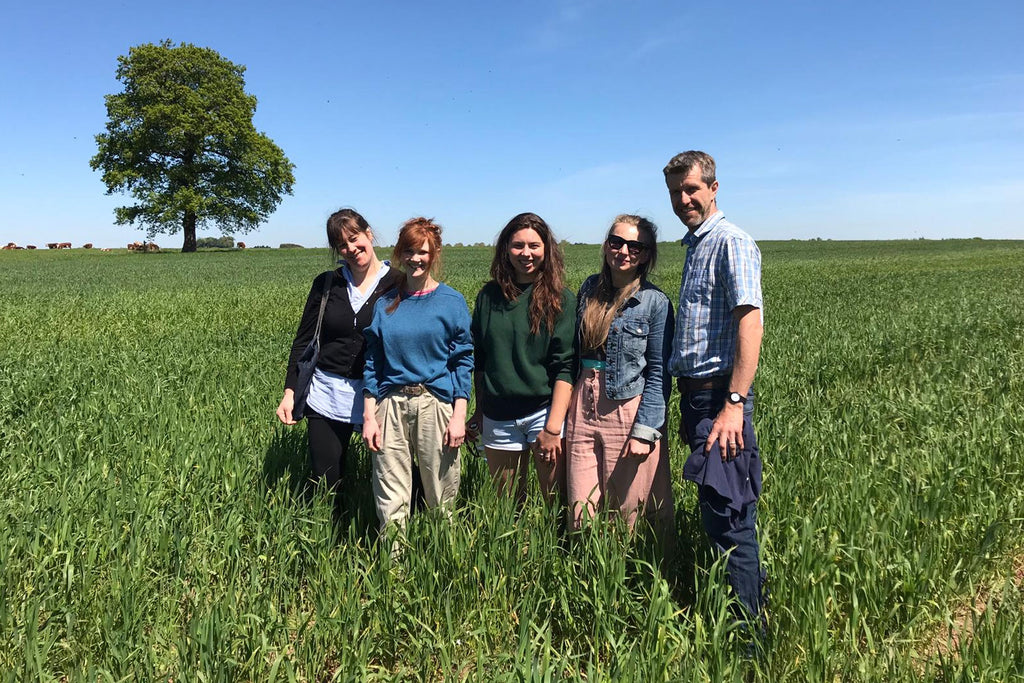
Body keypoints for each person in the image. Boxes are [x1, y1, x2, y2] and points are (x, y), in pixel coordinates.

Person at [665, 150, 767, 623]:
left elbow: (750, 322)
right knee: (717, 511)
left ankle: (750, 636)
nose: (684, 198)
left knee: (729, 518)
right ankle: (738, 610)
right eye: (675, 192)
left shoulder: (730, 242)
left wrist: (733, 403)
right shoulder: (696, 245)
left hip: (718, 399)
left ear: (713, 188)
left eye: (691, 189)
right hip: (697, 398)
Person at [276, 208, 398, 514]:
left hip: (380, 395)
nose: (351, 249)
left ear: (369, 234)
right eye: (342, 245)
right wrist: (290, 392)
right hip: (326, 392)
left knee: (393, 478)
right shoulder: (327, 284)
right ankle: (328, 539)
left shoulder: (397, 282)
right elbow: (303, 340)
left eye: (355, 239)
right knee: (325, 481)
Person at [361, 217, 474, 536]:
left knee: (442, 493)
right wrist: (370, 416)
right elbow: (373, 362)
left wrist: (459, 416)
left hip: (435, 404)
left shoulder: (451, 302)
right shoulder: (385, 304)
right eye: (409, 251)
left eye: (422, 252)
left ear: (435, 253)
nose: (415, 259)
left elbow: (462, 360)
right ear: (399, 254)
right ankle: (393, 571)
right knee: (391, 495)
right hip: (391, 406)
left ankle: (444, 562)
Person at [566, 214, 674, 534]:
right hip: (581, 403)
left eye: (635, 246)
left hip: (626, 406)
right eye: (617, 242)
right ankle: (584, 573)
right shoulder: (589, 288)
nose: (624, 251)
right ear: (606, 246)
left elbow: (658, 373)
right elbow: (572, 354)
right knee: (579, 506)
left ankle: (624, 575)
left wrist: (645, 430)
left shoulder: (655, 302)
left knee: (626, 511)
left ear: (646, 255)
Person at [467, 213, 575, 506]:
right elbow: (481, 360)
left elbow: (565, 368)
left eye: (534, 246)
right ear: (506, 249)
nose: (526, 253)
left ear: (546, 250)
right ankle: (517, 552)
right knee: (508, 506)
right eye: (517, 246)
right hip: (497, 415)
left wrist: (553, 428)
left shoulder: (561, 299)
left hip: (543, 413)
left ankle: (558, 553)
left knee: (557, 503)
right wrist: (479, 410)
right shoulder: (489, 297)